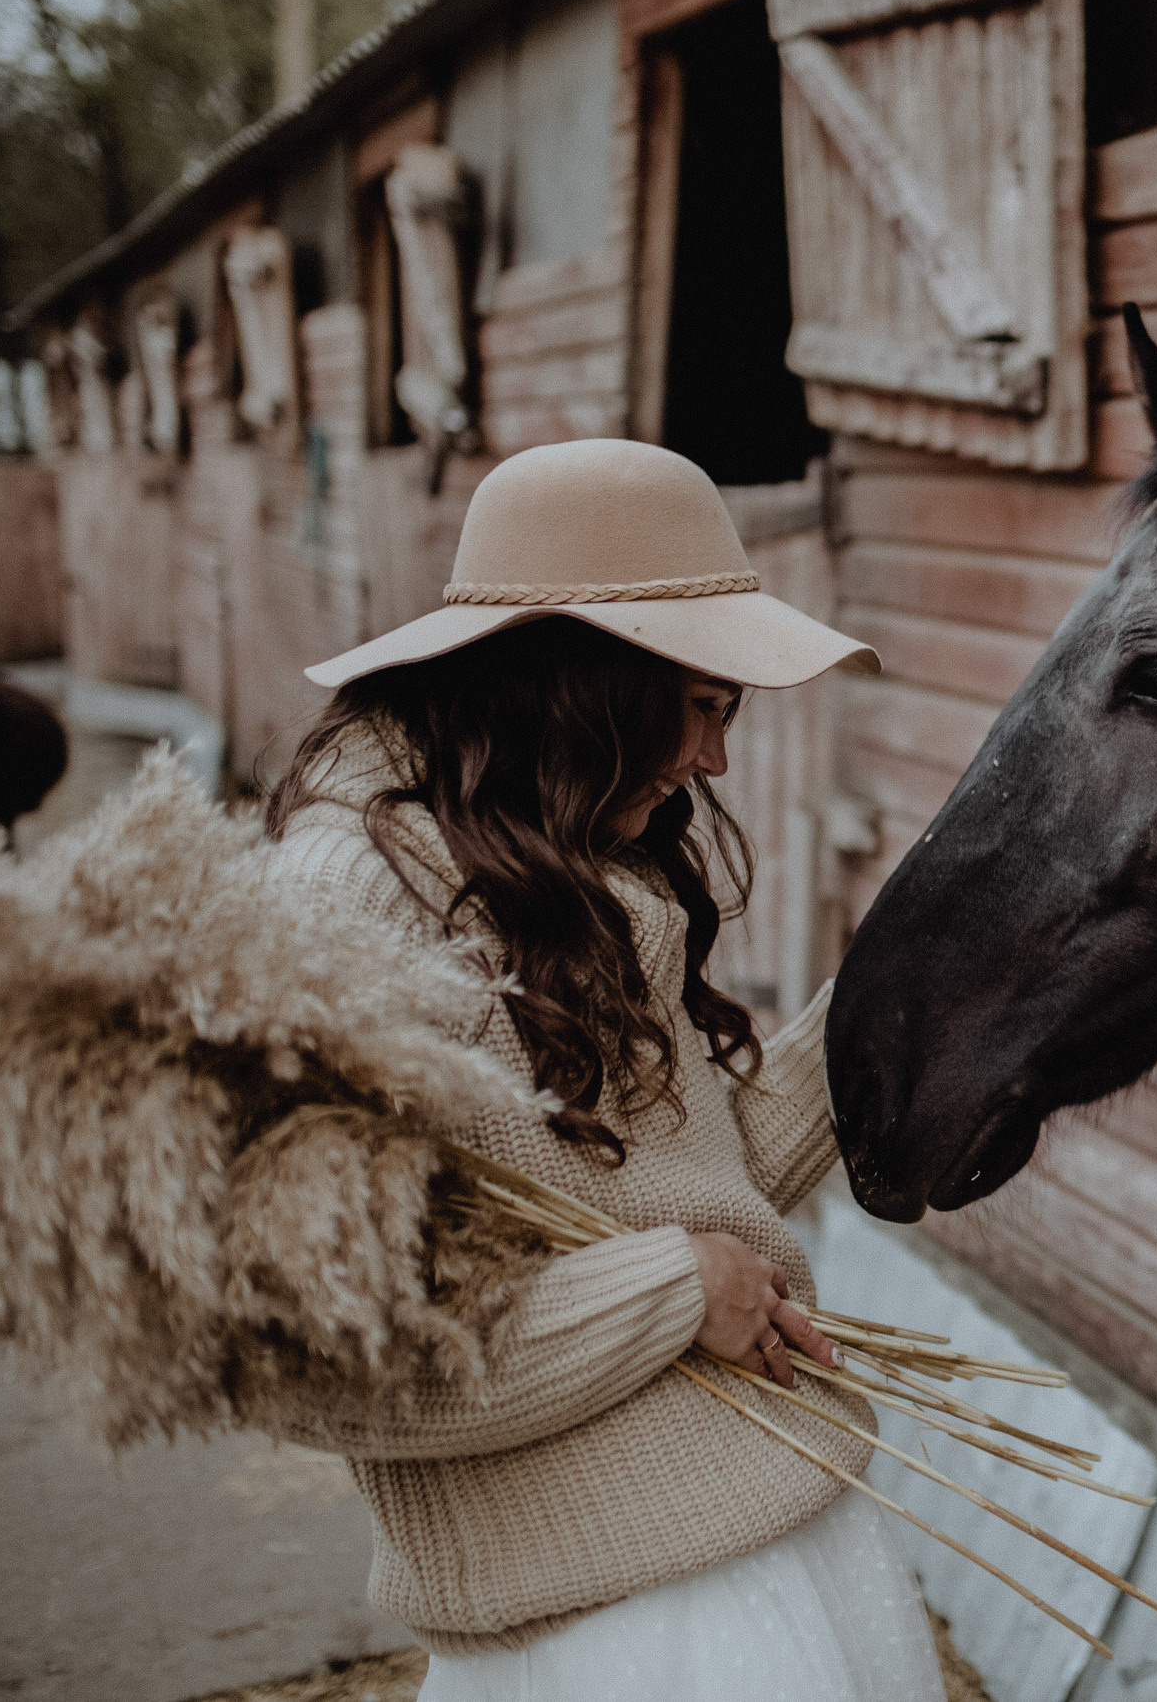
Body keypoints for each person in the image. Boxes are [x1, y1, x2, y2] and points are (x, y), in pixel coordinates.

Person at [261, 439, 945, 1701]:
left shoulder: (564, 874)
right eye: (702, 706)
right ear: (580, 682)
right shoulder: (350, 903)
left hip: (760, 1525)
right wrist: (675, 1290)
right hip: (618, 1618)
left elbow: (666, 1178)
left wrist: (898, 1000)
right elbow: (312, 1362)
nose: (716, 763)